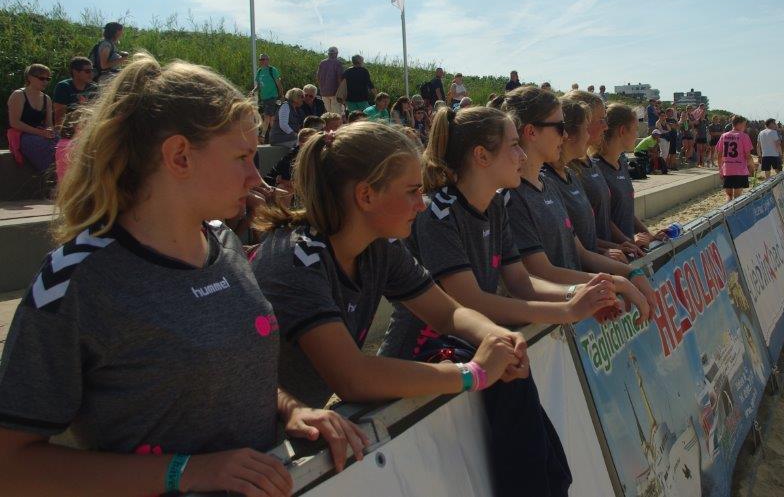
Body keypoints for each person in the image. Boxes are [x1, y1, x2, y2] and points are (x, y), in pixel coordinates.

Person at [0, 54, 367, 496]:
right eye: (242, 157)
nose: (255, 176)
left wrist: (290, 410)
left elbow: (233, 374)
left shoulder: (224, 243)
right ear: (178, 156)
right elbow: (11, 465)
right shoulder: (75, 279)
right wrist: (186, 471)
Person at [380, 105, 623, 496]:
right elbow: (470, 302)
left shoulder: (495, 205)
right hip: (420, 357)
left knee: (550, 465)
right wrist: (567, 309)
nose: (522, 155)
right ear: (481, 156)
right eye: (513, 145)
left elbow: (522, 282)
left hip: (469, 348)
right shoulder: (438, 213)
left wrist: (582, 295)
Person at [251, 122, 528, 411]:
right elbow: (352, 378)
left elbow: (448, 313)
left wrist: (497, 336)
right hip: (261, 432)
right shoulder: (298, 259)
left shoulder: (379, 246)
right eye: (412, 191)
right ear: (366, 196)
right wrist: (473, 374)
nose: (421, 204)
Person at [501, 87, 651, 316]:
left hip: (571, 309)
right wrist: (612, 284)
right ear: (531, 132)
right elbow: (541, 273)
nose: (564, 136)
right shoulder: (512, 196)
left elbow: (580, 253)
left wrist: (629, 273)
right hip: (551, 317)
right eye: (559, 127)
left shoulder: (547, 184)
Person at [563, 90, 644, 260]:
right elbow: (575, 237)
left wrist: (627, 242)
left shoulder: (591, 164)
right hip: (595, 264)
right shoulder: (571, 170)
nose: (605, 126)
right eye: (600, 120)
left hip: (610, 257)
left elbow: (604, 217)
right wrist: (617, 246)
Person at [595, 103, 668, 248]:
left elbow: (626, 211)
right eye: (635, 130)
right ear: (622, 131)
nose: (637, 135)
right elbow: (602, 218)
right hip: (613, 252)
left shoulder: (621, 163)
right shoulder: (596, 168)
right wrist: (627, 242)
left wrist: (649, 234)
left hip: (629, 248)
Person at [6, 64, 58, 172]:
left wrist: (49, 131)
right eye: (41, 78)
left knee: (62, 142)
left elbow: (49, 123)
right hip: (21, 134)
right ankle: (50, 173)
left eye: (48, 79)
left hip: (40, 132)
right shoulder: (18, 95)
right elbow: (14, 123)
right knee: (41, 144)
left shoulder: (46, 98)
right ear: (30, 78)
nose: (45, 82)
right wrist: (40, 133)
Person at [717, 114, 755, 201]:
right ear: (739, 124)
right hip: (740, 170)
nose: (745, 127)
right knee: (737, 196)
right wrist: (752, 167)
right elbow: (748, 156)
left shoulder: (724, 136)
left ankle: (728, 206)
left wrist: (720, 169)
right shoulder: (744, 136)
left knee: (728, 195)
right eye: (744, 125)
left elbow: (719, 154)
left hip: (727, 169)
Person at [52, 56, 97, 126]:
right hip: (68, 127)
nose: (91, 74)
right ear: (75, 72)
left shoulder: (94, 88)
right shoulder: (63, 87)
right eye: (87, 71)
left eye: (92, 70)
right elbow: (59, 116)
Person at [253, 53, 284, 143]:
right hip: (264, 98)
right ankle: (273, 137)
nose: (262, 61)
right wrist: (253, 91)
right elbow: (258, 85)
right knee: (271, 117)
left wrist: (281, 95)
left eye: (264, 59)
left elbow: (278, 83)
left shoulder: (272, 70)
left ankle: (263, 136)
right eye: (261, 59)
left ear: (268, 60)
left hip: (272, 96)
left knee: (267, 116)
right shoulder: (259, 71)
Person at [317, 46, 345, 114]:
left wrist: (321, 87)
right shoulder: (338, 63)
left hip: (324, 92)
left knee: (328, 114)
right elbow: (340, 78)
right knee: (336, 114)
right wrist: (341, 92)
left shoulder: (322, 63)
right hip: (335, 93)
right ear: (336, 53)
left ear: (328, 53)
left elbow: (318, 76)